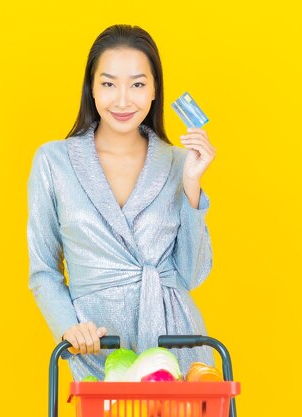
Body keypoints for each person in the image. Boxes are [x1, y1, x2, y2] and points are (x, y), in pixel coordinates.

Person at [27, 24, 217, 382]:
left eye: (138, 84)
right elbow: (43, 270)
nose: (123, 100)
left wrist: (192, 184)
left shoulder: (178, 163)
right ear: (92, 88)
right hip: (99, 347)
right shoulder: (53, 162)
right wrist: (69, 327)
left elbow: (191, 275)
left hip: (175, 345)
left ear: (155, 90)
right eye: (109, 83)